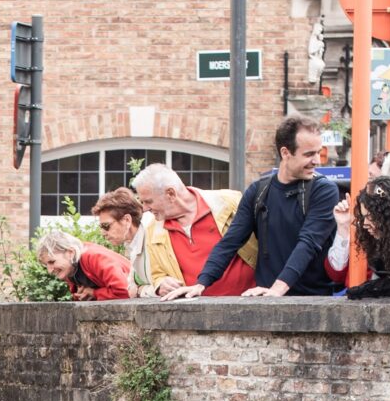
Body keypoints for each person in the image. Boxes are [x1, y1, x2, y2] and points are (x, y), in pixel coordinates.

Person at [172, 116, 337, 299]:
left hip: (312, 299)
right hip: (265, 297)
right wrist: (201, 283)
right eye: (309, 154)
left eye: (318, 153)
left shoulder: (323, 190)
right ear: (285, 152)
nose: (317, 161)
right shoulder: (258, 191)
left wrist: (277, 290)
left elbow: (308, 243)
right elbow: (231, 241)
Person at [134, 164, 256, 298]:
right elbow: (157, 274)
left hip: (251, 305)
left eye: (148, 202)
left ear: (171, 194)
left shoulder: (228, 203)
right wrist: (161, 284)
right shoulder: (153, 229)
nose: (144, 208)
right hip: (195, 312)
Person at [35, 226, 132, 300]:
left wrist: (94, 293)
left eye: (52, 262)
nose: (50, 270)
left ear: (70, 252)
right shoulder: (70, 268)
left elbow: (125, 291)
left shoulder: (94, 257)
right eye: (46, 265)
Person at [92, 187, 150, 291]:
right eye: (101, 227)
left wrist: (140, 291)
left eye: (106, 226)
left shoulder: (151, 239)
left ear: (127, 220)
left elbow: (162, 288)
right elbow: (130, 288)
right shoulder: (132, 242)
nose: (103, 233)